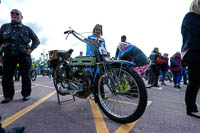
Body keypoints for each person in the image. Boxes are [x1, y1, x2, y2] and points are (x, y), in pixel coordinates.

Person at [0, 9, 40, 104]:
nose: (14, 14)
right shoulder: (4, 27)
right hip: (9, 56)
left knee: (26, 76)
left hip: (24, 56)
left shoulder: (26, 29)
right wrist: (0, 54)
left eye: (17, 13)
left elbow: (36, 40)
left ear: (21, 17)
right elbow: (0, 41)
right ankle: (8, 96)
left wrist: (30, 49)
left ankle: (26, 94)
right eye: (12, 13)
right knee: (6, 77)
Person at [181, 0, 200, 117]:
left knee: (195, 82)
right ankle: (190, 107)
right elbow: (196, 31)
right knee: (194, 82)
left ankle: (192, 106)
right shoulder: (190, 16)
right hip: (194, 52)